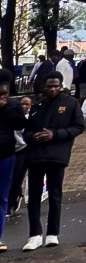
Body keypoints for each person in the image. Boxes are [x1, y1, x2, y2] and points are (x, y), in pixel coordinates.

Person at [21, 72, 85, 250]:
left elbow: (79, 127)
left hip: (57, 154)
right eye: (49, 86)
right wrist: (34, 136)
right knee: (33, 196)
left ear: (61, 85)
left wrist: (54, 134)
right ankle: (34, 234)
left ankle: (52, 233)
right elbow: (26, 132)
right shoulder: (37, 105)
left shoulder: (70, 103)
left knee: (55, 194)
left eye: (56, 86)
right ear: (44, 87)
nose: (52, 89)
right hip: (36, 155)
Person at [0, 70, 32, 252]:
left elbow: (20, 125)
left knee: (2, 197)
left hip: (5, 156)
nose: (3, 97)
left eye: (5, 94)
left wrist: (6, 109)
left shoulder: (12, 106)